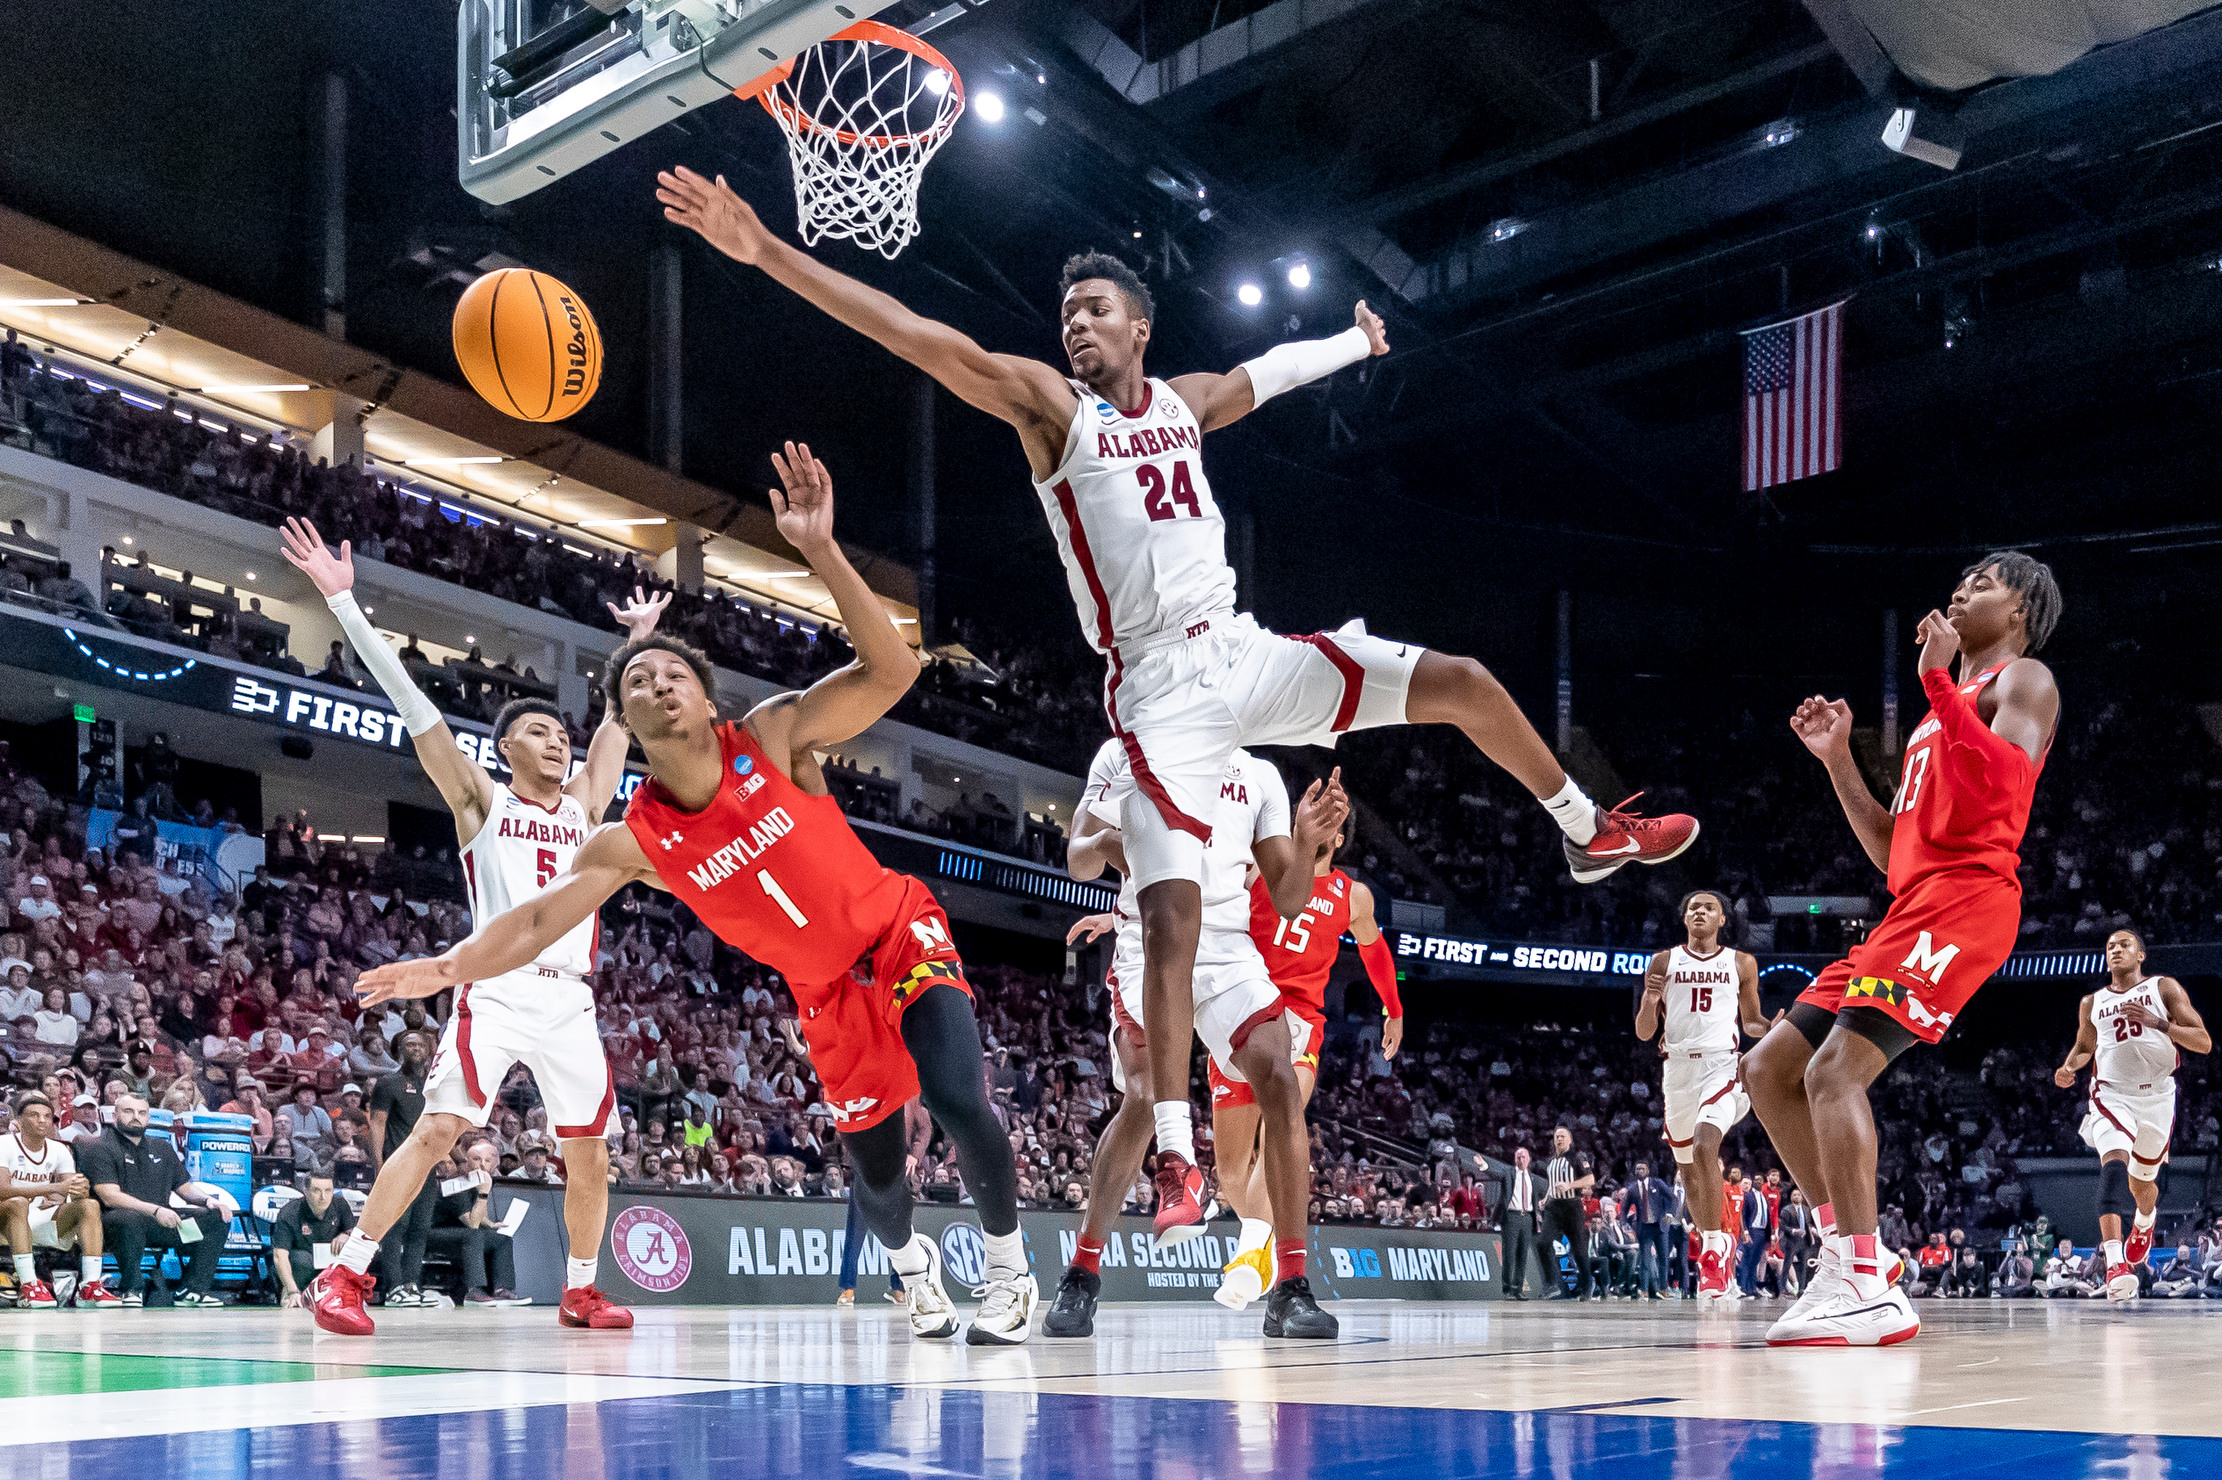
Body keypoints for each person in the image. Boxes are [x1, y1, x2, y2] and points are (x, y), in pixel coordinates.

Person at [657, 168, 1699, 1240]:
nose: (1075, 328)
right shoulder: (1048, 408)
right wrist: (764, 253)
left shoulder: (1183, 403)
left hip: (1242, 651)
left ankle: (1585, 829)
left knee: (1462, 683)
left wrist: (1353, 343)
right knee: (1169, 920)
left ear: (1139, 327)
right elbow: (918, 334)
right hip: (1156, 690)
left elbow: (1266, 374)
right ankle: (1171, 1155)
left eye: (1093, 311)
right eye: (1066, 316)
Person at [354, 447, 1034, 1346]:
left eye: (673, 674)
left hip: (900, 931)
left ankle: (1009, 1273)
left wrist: (824, 552)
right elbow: (530, 923)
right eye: (638, 680)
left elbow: (893, 673)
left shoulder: (777, 735)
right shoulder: (631, 842)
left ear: (706, 697)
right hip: (824, 994)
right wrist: (444, 967)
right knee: (876, 1175)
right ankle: (914, 1280)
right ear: (624, 722)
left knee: (953, 1096)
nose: (657, 683)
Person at [282, 514, 663, 1338]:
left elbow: (618, 725)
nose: (557, 744)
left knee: (590, 1152)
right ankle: (345, 1275)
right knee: (440, 1129)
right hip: (492, 987)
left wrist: (636, 645)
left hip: (572, 1001)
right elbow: (413, 705)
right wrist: (347, 608)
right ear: (505, 749)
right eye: (538, 733)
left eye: (561, 735)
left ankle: (581, 1289)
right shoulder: (479, 801)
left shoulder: (588, 807)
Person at [1743, 553, 2062, 1347]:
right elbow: (1893, 852)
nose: (1961, 588)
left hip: (1968, 899)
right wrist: (1839, 759)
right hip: (1910, 902)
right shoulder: (1936, 717)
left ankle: (1867, 1287)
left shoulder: (2024, 681)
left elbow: (2006, 788)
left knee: (1833, 1071)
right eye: (1961, 579)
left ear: (2020, 609)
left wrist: (1937, 685)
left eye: (1984, 582)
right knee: (1768, 1069)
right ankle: (1852, 1257)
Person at [1046, 741, 1345, 1339]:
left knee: (1281, 1080)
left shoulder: (1258, 775)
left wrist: (1307, 845)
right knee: (1141, 1098)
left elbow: (1288, 900)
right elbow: (1079, 855)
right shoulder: (1121, 754)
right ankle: (1082, 1272)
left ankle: (1290, 1286)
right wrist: (1115, 843)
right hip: (1148, 943)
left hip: (1228, 952)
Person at [1208, 815, 1401, 1306]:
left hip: (1298, 1022)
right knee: (1230, 1169)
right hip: (1241, 1008)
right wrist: (1124, 914)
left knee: (1282, 1127)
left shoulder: (1353, 895)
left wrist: (1393, 1010)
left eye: (1329, 820)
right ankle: (1262, 1240)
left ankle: (1251, 1256)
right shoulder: (1258, 867)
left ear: (1336, 840)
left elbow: (1376, 952)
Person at [2054, 927, 2210, 1301]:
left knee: (2143, 1186)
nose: (2115, 950)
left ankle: (2145, 1221)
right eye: (2110, 946)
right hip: (2111, 1094)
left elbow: (2202, 1041)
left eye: (2124, 944)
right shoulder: (2091, 1002)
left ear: (2141, 954)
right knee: (2113, 1167)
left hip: (2157, 1097)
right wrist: (2069, 1067)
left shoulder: (2163, 988)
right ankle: (2114, 1262)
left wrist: (2157, 1022)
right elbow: (2084, 1046)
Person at [1634, 889, 1769, 1305]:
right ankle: (1715, 1244)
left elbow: (1751, 1022)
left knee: (1706, 1144)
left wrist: (1775, 1029)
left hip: (1721, 1065)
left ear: (1722, 920)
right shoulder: (1663, 961)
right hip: (1677, 1068)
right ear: (1684, 917)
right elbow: (1643, 1032)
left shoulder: (1741, 962)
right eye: (1693, 906)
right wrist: (1650, 1000)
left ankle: (1713, 1250)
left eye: (1708, 908)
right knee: (1688, 1168)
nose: (1699, 912)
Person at [79, 1094, 229, 1308]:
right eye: (128, 1112)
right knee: (129, 1219)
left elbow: (183, 1187)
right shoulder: (100, 1148)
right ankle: (132, 1288)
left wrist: (207, 1201)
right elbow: (109, 1195)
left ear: (148, 1117)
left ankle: (192, 1290)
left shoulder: (161, 1148)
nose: (135, 1117)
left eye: (141, 1113)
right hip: (116, 1227)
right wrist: (156, 1210)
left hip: (163, 1226)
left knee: (216, 1218)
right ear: (114, 1116)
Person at [0, 1092, 118, 1307]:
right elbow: (2, 1190)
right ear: (18, 1121)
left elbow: (73, 1191)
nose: (42, 1120)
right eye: (34, 1115)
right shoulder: (4, 1144)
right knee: (18, 1203)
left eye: (47, 1116)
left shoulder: (59, 1149)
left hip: (36, 1220)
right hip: (5, 1220)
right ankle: (28, 1285)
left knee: (89, 1205)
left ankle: (89, 1286)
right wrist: (52, 1188)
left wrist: (76, 1190)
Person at [429, 1140, 527, 1306]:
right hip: (435, 1233)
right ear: (467, 1161)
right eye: (476, 1159)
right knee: (473, 1235)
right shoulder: (457, 1183)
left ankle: (502, 1289)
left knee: (502, 1239)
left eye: (487, 1161)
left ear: (494, 1163)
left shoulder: (479, 1180)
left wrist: (490, 1224)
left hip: (460, 1231)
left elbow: (479, 1217)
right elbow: (472, 1224)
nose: (482, 1165)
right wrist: (483, 1193)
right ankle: (473, 1290)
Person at [271, 1171, 357, 1310]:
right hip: (302, 1266)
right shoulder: (290, 1213)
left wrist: (346, 1235)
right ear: (305, 1191)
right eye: (317, 1191)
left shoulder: (340, 1204)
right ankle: (292, 1293)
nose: (323, 1197)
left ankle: (347, 1293)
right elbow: (279, 1255)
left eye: (328, 1190)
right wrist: (292, 1290)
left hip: (331, 1265)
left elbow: (354, 1232)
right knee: (300, 1258)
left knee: (354, 1249)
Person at [1539, 1126, 1596, 1299]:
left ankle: (1587, 1284)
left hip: (1572, 1206)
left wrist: (1570, 1185)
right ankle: (1551, 1284)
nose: (1559, 1139)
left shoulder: (1577, 1157)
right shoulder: (1552, 1160)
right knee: (1542, 1243)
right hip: (1554, 1206)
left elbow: (1590, 1179)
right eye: (1557, 1137)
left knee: (1579, 1251)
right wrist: (1546, 1197)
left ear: (1570, 1140)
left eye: (1563, 1136)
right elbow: (1553, 1182)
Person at [1619, 1160, 1674, 1301]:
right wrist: (1624, 1223)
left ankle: (1663, 1288)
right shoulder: (1632, 1189)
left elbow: (1672, 1198)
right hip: (1644, 1227)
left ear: (1648, 1170)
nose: (1640, 1171)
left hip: (1660, 1225)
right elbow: (1624, 1208)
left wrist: (1669, 1213)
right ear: (1634, 1172)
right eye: (1637, 1169)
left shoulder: (1657, 1183)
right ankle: (1643, 1290)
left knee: (1663, 1258)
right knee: (1644, 1259)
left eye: (1642, 1168)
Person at [1498, 1148, 1544, 1299]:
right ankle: (1507, 1289)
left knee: (1522, 1255)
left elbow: (1535, 1197)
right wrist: (1483, 1166)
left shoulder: (1533, 1178)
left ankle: (1518, 1289)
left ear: (1529, 1159)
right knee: (1509, 1254)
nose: (1521, 1160)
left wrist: (1538, 1209)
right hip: (1512, 1216)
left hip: (1527, 1218)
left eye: (1524, 1157)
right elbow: (1495, 1173)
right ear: (1514, 1159)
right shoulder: (1508, 1173)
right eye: (1518, 1157)